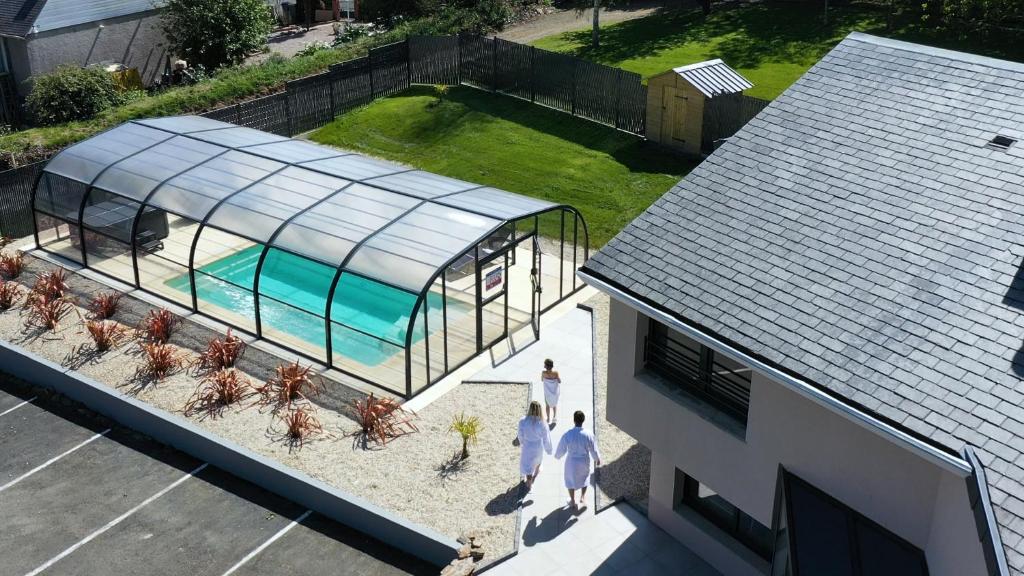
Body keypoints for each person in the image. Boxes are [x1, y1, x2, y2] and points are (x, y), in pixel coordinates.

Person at [554, 410, 601, 508]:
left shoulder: (568, 434)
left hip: (571, 461)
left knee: (570, 480)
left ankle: (572, 500)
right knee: (585, 477)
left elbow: (561, 448)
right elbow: (593, 449)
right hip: (584, 461)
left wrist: (557, 456)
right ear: (583, 420)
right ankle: (582, 497)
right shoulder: (588, 434)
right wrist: (597, 459)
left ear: (574, 420)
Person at [516, 400, 552, 489]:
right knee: (538, 461)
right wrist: (548, 449)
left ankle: (529, 482)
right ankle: (534, 476)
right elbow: (546, 437)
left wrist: (522, 442)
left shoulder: (523, 421)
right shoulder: (542, 423)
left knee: (528, 465)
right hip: (538, 446)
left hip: (527, 446)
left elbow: (520, 434)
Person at [542, 359, 561, 425]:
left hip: (547, 393)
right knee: (554, 404)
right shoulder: (556, 373)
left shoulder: (543, 373)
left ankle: (548, 418)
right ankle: (554, 417)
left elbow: (542, 380)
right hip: (554, 392)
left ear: (546, 366)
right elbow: (559, 381)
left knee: (547, 405)